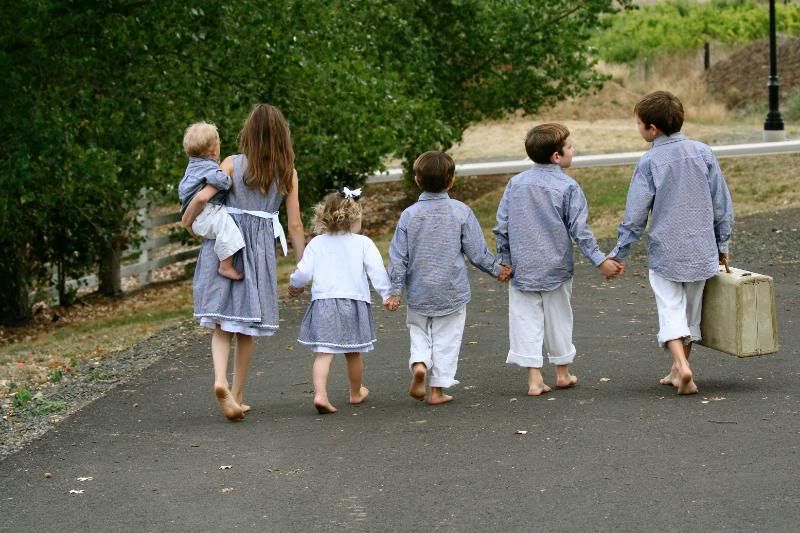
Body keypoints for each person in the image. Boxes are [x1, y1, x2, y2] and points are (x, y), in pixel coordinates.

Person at [182, 104, 306, 420]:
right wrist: (302, 268)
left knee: (221, 322)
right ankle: (236, 394)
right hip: (258, 252)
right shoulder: (288, 173)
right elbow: (294, 225)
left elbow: (202, 197)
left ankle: (220, 380)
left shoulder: (231, 163)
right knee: (246, 327)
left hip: (225, 247)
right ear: (282, 136)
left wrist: (188, 221)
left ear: (247, 133)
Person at [608, 91, 734, 395]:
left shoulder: (649, 161)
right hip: (702, 249)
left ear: (652, 129)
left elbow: (635, 215)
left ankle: (682, 366)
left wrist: (619, 252)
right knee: (690, 313)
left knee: (670, 309)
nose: (638, 128)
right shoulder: (703, 153)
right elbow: (721, 203)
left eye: (639, 124)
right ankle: (678, 371)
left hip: (667, 252)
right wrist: (723, 244)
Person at [493, 123, 622, 397]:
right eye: (570, 147)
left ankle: (534, 378)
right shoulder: (568, 187)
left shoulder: (515, 184)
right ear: (556, 156)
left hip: (522, 268)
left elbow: (502, 226)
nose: (573, 150)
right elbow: (580, 230)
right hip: (556, 268)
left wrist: (505, 261)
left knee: (525, 321)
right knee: (559, 318)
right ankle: (563, 372)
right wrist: (600, 261)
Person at [387, 151, 511, 405]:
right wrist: (497, 269)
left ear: (417, 180)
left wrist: (395, 291)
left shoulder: (409, 215)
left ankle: (419, 363)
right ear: (452, 180)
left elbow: (398, 257)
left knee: (418, 330)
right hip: (451, 290)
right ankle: (437, 390)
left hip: (419, 290)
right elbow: (476, 252)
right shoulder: (461, 212)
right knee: (447, 338)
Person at [288, 189, 395, 414]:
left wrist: (295, 285)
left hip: (324, 303)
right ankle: (356, 393)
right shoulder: (363, 243)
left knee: (324, 352)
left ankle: (320, 394)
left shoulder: (317, 243)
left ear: (324, 218)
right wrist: (387, 295)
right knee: (353, 352)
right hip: (354, 303)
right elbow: (376, 271)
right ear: (354, 219)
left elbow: (303, 272)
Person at [179, 122, 245, 281]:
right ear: (214, 150)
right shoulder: (209, 168)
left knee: (225, 228)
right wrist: (228, 177)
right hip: (205, 212)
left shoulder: (193, 166)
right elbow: (223, 182)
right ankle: (225, 266)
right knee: (228, 229)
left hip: (197, 215)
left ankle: (225, 264)